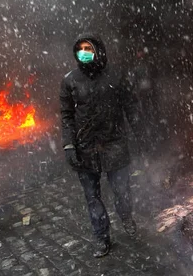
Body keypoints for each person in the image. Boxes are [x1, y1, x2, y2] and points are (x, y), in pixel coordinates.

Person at [59, 33, 138, 258]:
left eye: (88, 48)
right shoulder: (69, 81)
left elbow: (130, 107)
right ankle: (102, 238)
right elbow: (67, 117)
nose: (84, 52)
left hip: (114, 143)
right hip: (85, 148)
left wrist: (139, 135)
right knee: (92, 198)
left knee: (122, 191)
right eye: (80, 49)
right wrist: (69, 146)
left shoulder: (116, 75)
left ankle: (126, 217)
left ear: (99, 50)